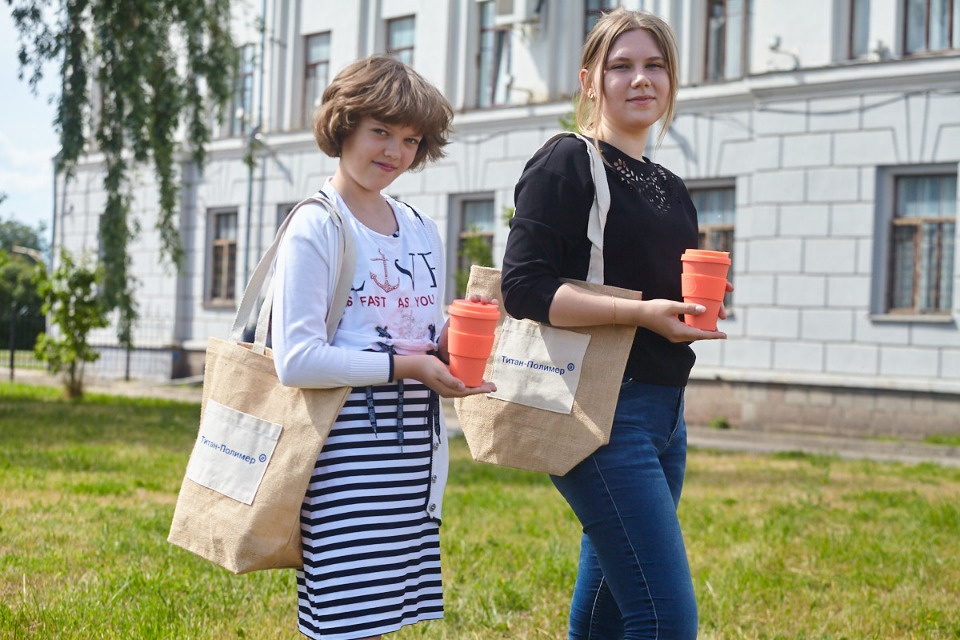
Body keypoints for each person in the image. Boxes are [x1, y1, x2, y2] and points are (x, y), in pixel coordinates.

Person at [501, 9, 731, 640]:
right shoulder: (565, 162)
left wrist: (688, 308)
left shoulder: (670, 186)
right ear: (589, 81)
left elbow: (656, 288)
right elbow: (523, 288)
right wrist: (643, 314)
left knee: (606, 613)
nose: (641, 79)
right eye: (621, 66)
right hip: (598, 409)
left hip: (665, 412)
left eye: (654, 65)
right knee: (665, 620)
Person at [271, 55, 496, 640]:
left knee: (379, 618)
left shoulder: (421, 225)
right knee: (343, 621)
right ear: (343, 125)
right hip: (344, 458)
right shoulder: (317, 225)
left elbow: (419, 332)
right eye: (380, 131)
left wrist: (454, 348)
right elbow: (295, 359)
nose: (394, 151)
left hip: (413, 456)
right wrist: (408, 365)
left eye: (410, 139)